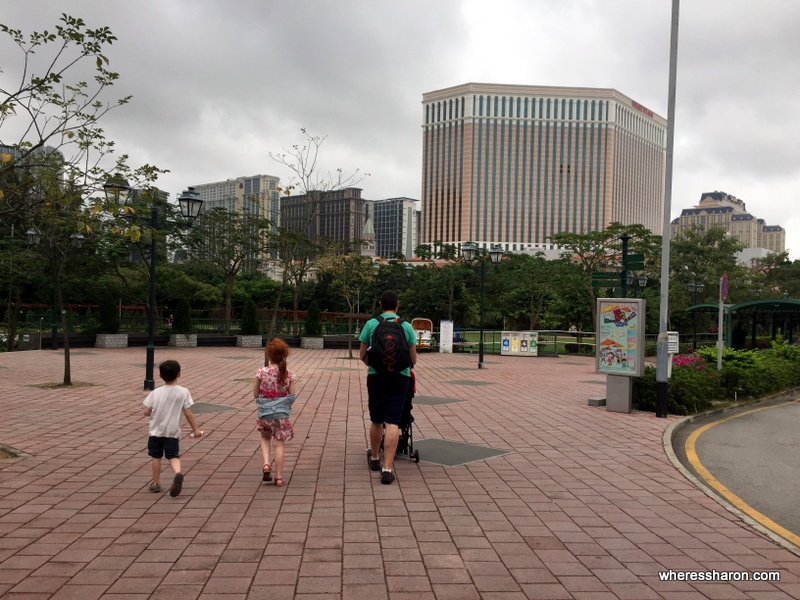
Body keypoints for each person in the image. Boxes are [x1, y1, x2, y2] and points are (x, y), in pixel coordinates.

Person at [359, 290, 417, 484]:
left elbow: (362, 354)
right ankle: (387, 468)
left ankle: (375, 459)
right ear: (397, 304)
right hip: (400, 378)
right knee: (392, 421)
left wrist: (376, 367)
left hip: (376, 377)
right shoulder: (407, 327)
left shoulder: (371, 324)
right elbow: (413, 359)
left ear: (380, 304)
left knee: (376, 420)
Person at [143, 359, 203, 497]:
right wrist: (195, 430)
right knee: (173, 455)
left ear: (160, 375)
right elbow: (188, 412)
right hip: (172, 431)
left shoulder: (156, 392)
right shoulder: (183, 392)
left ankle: (156, 483)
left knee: (156, 456)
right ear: (179, 374)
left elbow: (146, 411)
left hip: (156, 431)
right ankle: (177, 473)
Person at [254, 338, 296, 487]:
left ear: (269, 355)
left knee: (265, 438)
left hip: (265, 414)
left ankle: (266, 464)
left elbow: (256, 393)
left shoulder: (261, 372)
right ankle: (278, 477)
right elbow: (292, 396)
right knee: (278, 445)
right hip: (281, 415)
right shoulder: (289, 374)